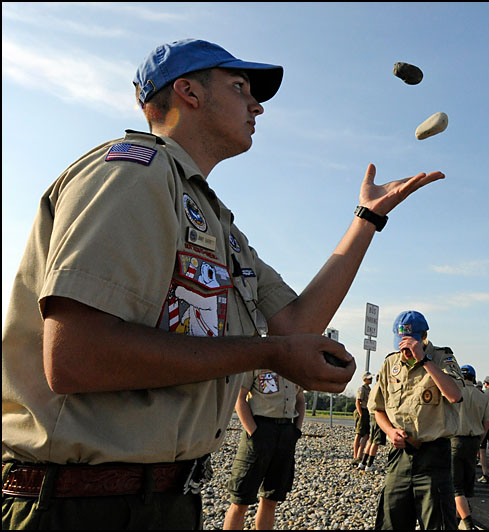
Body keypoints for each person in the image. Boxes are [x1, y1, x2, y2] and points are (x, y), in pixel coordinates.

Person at [1, 38, 445, 530]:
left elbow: (296, 324)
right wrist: (265, 355)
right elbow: (75, 356)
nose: (256, 105)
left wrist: (366, 220)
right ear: (188, 91)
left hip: (160, 499)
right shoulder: (132, 174)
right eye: (240, 87)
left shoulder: (219, 224)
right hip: (78, 505)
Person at [368, 310, 464, 530]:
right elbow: (378, 409)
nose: (406, 350)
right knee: (391, 519)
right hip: (399, 456)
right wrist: (390, 432)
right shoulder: (390, 363)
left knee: (437, 522)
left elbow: (455, 395)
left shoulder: (442, 357)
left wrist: (425, 360)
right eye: (402, 343)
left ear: (424, 336)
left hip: (433, 457)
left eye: (411, 343)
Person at [223, 371, 304, 530]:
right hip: (260, 428)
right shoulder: (256, 361)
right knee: (240, 499)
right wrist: (253, 432)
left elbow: (300, 399)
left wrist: (296, 430)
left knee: (271, 498)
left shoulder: (293, 365)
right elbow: (239, 397)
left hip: (286, 432)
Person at [453, 365, 489, 530]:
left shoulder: (455, 391)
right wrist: (479, 439)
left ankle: (468, 524)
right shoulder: (481, 395)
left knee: (455, 487)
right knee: (465, 486)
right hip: (473, 441)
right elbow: (488, 421)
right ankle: (456, 522)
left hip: (455, 440)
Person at [352, 372, 373, 468]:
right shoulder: (362, 389)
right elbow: (358, 401)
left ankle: (359, 455)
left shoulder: (369, 389)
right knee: (359, 434)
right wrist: (360, 414)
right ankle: (356, 456)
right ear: (364, 379)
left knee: (366, 434)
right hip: (362, 411)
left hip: (367, 411)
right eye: (369, 379)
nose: (371, 380)